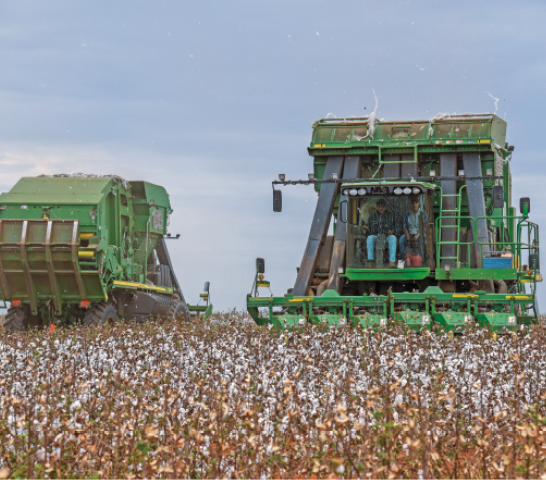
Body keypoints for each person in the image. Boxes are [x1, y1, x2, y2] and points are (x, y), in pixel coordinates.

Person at [364, 198, 397, 267]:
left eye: (382, 207)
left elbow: (396, 227)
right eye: (379, 207)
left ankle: (392, 261)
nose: (381, 208)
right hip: (376, 236)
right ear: (377, 207)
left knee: (393, 238)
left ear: (385, 207)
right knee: (369, 238)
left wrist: (392, 231)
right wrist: (364, 229)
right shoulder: (373, 216)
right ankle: (371, 261)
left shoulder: (390, 215)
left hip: (387, 236)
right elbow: (367, 225)